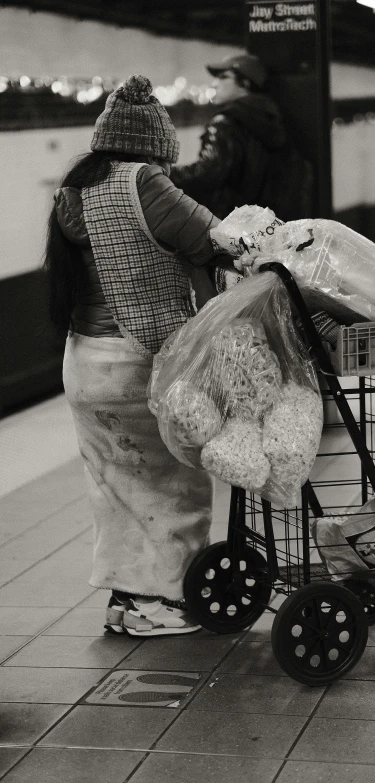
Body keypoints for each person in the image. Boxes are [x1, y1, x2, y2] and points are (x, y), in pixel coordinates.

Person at [43, 74, 229, 637]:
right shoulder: (143, 183)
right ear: (154, 145)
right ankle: (165, 603)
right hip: (137, 364)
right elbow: (213, 237)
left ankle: (126, 601)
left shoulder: (73, 190)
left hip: (85, 363)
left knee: (118, 488)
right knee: (173, 482)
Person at [170, 52, 289, 219]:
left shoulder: (225, 123)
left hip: (228, 223)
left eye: (224, 77)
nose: (214, 84)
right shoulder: (270, 119)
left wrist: (164, 173)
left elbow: (207, 173)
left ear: (245, 83)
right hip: (263, 221)